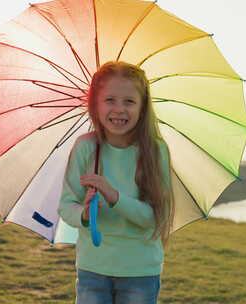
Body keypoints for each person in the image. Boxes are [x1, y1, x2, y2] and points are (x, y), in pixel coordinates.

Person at [58, 61, 175, 304]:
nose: (119, 109)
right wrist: (85, 215)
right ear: (95, 104)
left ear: (142, 108)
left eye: (129, 101)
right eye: (110, 100)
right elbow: (66, 205)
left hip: (139, 272)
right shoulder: (85, 147)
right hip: (93, 269)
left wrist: (114, 197)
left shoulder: (155, 151)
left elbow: (154, 219)